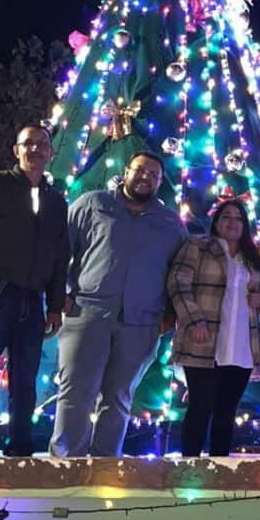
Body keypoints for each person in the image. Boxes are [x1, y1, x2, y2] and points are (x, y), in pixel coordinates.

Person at [53, 151, 186, 457]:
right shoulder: (92, 204)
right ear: (126, 171)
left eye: (153, 174)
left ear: (160, 182)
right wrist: (60, 292)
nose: (145, 177)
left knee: (119, 398)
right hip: (87, 313)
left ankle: (105, 466)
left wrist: (169, 315)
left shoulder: (170, 223)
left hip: (141, 323)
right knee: (76, 393)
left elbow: (179, 271)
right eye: (140, 170)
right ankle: (66, 465)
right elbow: (59, 250)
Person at [0, 124, 69, 457]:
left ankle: (20, 449)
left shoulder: (56, 201)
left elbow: (60, 256)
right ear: (16, 150)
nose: (35, 149)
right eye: (28, 143)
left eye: (42, 144)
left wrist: (55, 305)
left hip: (32, 301)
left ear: (51, 153)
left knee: (24, 381)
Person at [167, 196, 260, 457]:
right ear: (216, 222)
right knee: (200, 407)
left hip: (241, 345)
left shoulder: (251, 258)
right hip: (205, 341)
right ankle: (190, 466)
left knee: (227, 411)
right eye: (226, 217)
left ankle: (220, 466)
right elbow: (178, 283)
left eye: (238, 218)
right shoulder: (197, 246)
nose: (233, 222)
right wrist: (194, 320)